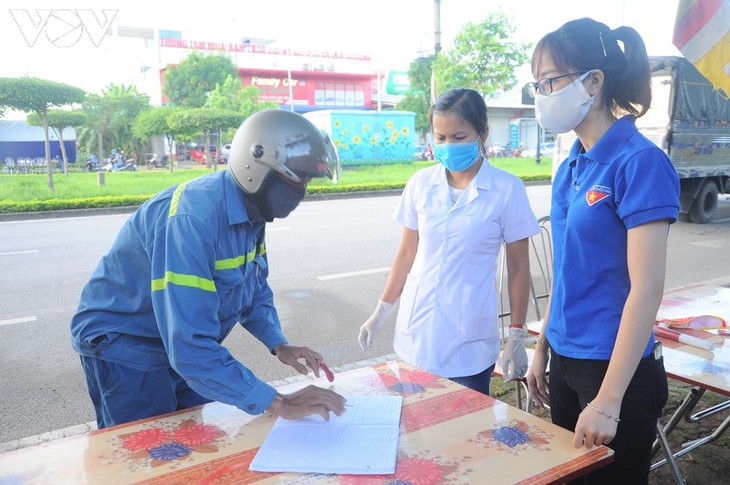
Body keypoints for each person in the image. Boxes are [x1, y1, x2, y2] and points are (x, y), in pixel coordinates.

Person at [71, 109, 346, 429]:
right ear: (255, 166)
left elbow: (253, 288)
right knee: (150, 456)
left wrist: (278, 344)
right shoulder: (192, 220)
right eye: (295, 179)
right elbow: (188, 348)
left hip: (178, 342)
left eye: (307, 181)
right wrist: (279, 403)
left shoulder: (252, 212)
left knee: (193, 438)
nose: (301, 190)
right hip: (126, 345)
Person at [524, 18, 680, 483]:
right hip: (567, 361)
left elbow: (647, 288)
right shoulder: (571, 165)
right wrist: (541, 349)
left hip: (617, 371)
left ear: (593, 81)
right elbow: (567, 275)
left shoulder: (640, 162)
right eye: (537, 84)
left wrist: (609, 400)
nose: (542, 94)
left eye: (549, 81)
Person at [358, 88, 539, 394]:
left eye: (458, 137)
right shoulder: (420, 184)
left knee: (462, 434)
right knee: (414, 433)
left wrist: (517, 335)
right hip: (414, 338)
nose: (448, 145)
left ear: (481, 134)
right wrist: (381, 311)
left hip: (467, 347)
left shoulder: (507, 190)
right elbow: (406, 253)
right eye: (440, 138)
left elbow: (519, 268)